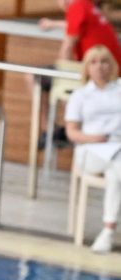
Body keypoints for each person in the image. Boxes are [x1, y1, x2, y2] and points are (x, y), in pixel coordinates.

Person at [36, 0, 121, 147]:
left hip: (98, 72)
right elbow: (77, 25)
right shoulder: (86, 5)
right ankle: (60, 129)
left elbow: (67, 47)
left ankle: (50, 132)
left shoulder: (77, 6)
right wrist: (52, 24)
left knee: (35, 77)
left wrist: (61, 75)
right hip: (111, 70)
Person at [65, 44, 121, 252]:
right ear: (87, 67)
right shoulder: (80, 95)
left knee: (116, 173)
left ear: (112, 65)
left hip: (116, 149)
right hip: (91, 150)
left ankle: (108, 231)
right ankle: (108, 232)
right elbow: (71, 132)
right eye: (94, 62)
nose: (100, 67)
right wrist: (94, 138)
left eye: (104, 61)